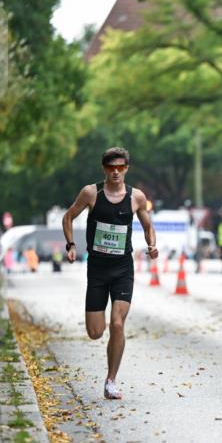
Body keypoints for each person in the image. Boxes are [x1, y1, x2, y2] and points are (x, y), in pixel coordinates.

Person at [62, 147, 158, 400]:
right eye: (111, 167)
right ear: (104, 169)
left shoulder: (136, 197)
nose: (116, 172)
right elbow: (68, 217)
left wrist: (151, 245)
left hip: (123, 269)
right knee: (95, 332)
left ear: (126, 169)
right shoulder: (91, 193)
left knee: (117, 323)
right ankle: (108, 364)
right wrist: (71, 245)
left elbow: (148, 226)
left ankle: (111, 380)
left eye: (120, 167)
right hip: (97, 269)